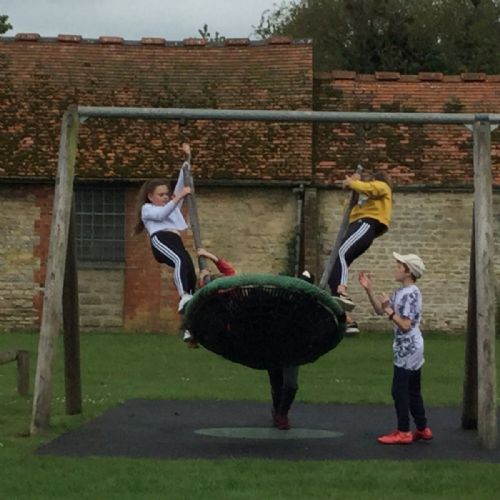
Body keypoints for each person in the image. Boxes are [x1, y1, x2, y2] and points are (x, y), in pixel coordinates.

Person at [358, 252, 433, 445]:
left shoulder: (411, 294)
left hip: (409, 348)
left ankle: (404, 431)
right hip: (405, 347)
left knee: (399, 390)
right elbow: (380, 309)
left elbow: (405, 324)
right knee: (413, 389)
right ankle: (423, 428)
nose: (396, 269)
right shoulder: (401, 292)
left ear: (408, 272)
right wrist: (369, 290)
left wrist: (389, 310)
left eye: (399, 266)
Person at [133, 143, 196, 313]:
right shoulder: (148, 209)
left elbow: (181, 183)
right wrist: (179, 196)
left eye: (167, 194)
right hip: (161, 240)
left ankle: (191, 306)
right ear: (150, 196)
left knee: (189, 269)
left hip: (175, 240)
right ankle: (183, 296)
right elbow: (161, 215)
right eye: (161, 195)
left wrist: (187, 159)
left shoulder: (171, 205)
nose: (166, 197)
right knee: (179, 260)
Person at [329, 170, 393, 335]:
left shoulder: (382, 187)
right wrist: (353, 189)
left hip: (366, 224)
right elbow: (348, 209)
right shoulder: (364, 197)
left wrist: (353, 183)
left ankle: (342, 291)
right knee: (334, 268)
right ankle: (347, 320)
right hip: (356, 225)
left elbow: (370, 188)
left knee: (341, 253)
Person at [268, 269, 313, 430]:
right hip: (273, 346)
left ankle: (282, 413)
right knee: (276, 383)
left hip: (293, 349)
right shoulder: (278, 302)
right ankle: (277, 410)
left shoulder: (311, 306)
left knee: (290, 384)